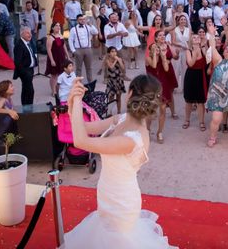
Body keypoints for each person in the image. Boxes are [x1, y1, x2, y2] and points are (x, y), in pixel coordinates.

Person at [64, 75, 175, 247]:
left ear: (129, 94)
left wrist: (78, 100)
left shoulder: (133, 139)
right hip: (106, 196)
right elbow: (82, 128)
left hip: (121, 204)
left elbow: (81, 141)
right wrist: (72, 101)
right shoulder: (121, 119)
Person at [145, 30, 179, 143]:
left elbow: (166, 69)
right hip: (152, 84)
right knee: (151, 110)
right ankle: (147, 130)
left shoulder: (164, 48)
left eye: (163, 35)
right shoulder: (148, 57)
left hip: (163, 82)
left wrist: (164, 57)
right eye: (159, 35)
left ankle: (159, 132)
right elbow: (154, 65)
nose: (162, 37)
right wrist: (155, 53)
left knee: (163, 109)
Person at [183, 33, 209, 132]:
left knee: (200, 101)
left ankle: (201, 122)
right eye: (194, 37)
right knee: (189, 100)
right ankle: (187, 120)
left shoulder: (203, 49)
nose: (196, 38)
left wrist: (202, 49)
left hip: (200, 76)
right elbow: (190, 64)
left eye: (198, 37)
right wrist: (195, 53)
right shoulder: (188, 51)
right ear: (191, 40)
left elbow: (207, 61)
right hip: (190, 76)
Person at [68, 14, 98, 82]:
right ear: (77, 20)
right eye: (80, 19)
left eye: (83, 19)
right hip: (78, 50)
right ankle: (79, 83)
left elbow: (96, 32)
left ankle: (90, 82)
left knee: (89, 67)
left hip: (88, 49)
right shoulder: (73, 29)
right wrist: (73, 51)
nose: (82, 21)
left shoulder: (88, 27)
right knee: (78, 68)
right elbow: (70, 40)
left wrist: (91, 25)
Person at [13, 27, 37, 106]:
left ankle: (27, 106)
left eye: (30, 32)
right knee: (29, 90)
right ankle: (27, 107)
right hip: (25, 72)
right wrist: (25, 73)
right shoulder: (19, 45)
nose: (30, 34)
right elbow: (17, 62)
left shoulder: (28, 43)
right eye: (27, 33)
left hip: (30, 70)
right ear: (22, 34)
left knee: (27, 90)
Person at [46, 22, 70, 96]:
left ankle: (59, 89)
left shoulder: (61, 36)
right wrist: (52, 60)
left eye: (59, 26)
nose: (58, 27)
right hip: (54, 58)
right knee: (54, 75)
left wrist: (68, 56)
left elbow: (64, 46)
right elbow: (49, 50)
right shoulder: (50, 37)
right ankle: (53, 91)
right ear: (52, 28)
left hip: (61, 57)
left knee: (61, 74)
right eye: (56, 26)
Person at [103, 47, 126, 113]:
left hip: (118, 81)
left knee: (118, 97)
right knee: (111, 97)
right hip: (111, 81)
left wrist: (119, 61)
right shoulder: (107, 60)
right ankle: (110, 112)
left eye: (115, 51)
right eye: (112, 51)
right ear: (109, 53)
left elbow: (123, 68)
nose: (114, 53)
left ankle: (119, 112)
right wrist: (116, 60)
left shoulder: (119, 59)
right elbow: (111, 67)